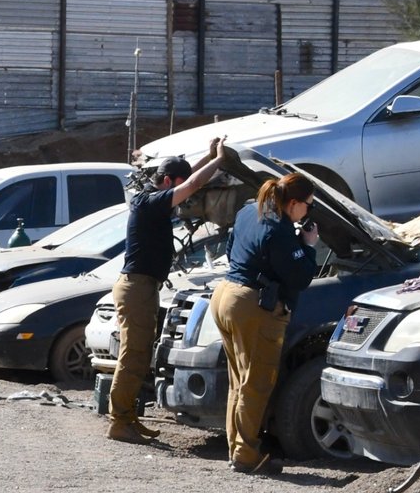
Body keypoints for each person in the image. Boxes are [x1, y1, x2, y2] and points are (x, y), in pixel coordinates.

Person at [106, 136, 228, 445]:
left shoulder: (152, 197)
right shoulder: (150, 201)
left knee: (139, 353)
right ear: (168, 180)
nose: (182, 194)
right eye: (177, 182)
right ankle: (120, 421)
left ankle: (129, 418)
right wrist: (218, 161)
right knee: (132, 356)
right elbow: (190, 187)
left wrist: (209, 155)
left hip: (141, 286)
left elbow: (186, 181)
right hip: (137, 287)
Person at [210, 171, 320, 474]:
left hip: (224, 295)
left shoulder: (249, 210)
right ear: (294, 203)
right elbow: (300, 277)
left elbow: (233, 251)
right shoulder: (279, 231)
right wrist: (308, 245)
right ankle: (246, 456)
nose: (308, 212)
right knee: (256, 382)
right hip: (251, 304)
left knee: (239, 380)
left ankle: (239, 449)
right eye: (308, 206)